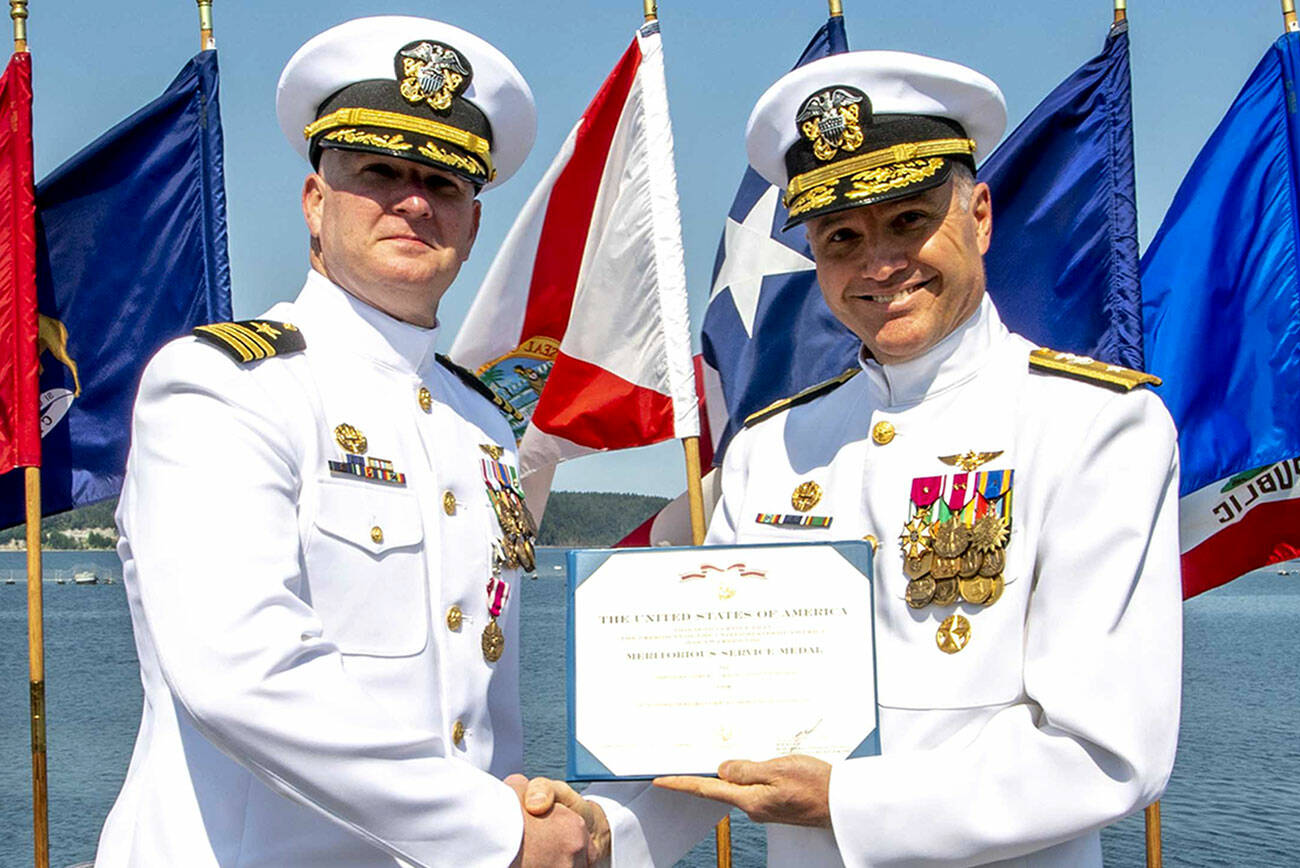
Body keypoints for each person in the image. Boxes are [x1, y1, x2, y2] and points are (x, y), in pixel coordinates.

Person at [529, 50, 1183, 867]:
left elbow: (1106, 753)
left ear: (979, 215)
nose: (879, 263)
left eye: (911, 220)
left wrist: (845, 801)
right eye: (842, 235)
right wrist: (599, 836)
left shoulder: (1094, 425)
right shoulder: (772, 448)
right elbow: (715, 725)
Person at [94, 16, 598, 867]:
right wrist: (497, 832)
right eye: (379, 172)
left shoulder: (481, 423)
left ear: (472, 225)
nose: (413, 200)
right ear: (315, 204)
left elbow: (481, 700)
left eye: (443, 183)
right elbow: (242, 668)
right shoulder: (225, 384)